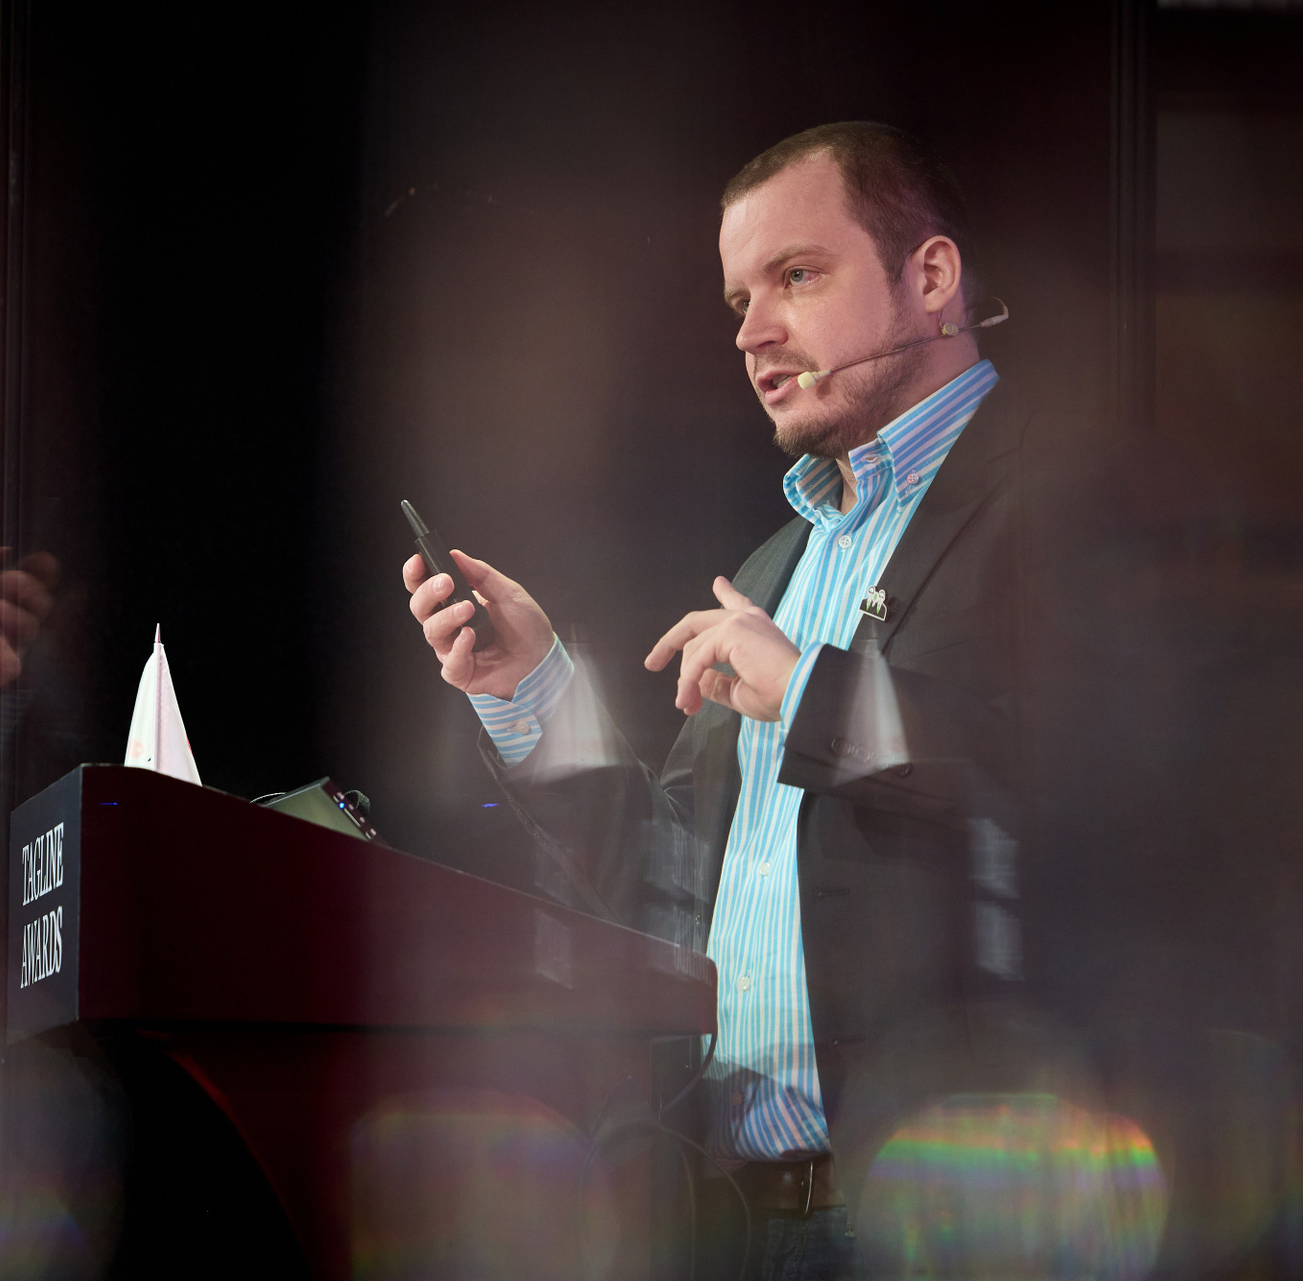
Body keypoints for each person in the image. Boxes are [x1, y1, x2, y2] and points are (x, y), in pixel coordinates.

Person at [402, 122, 1091, 1278]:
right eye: (738, 300)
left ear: (930, 277)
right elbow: (672, 880)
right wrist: (533, 688)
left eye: (797, 276)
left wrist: (811, 693)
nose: (752, 332)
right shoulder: (775, 568)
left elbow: (1088, 804)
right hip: (741, 1222)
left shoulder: (1066, 501)